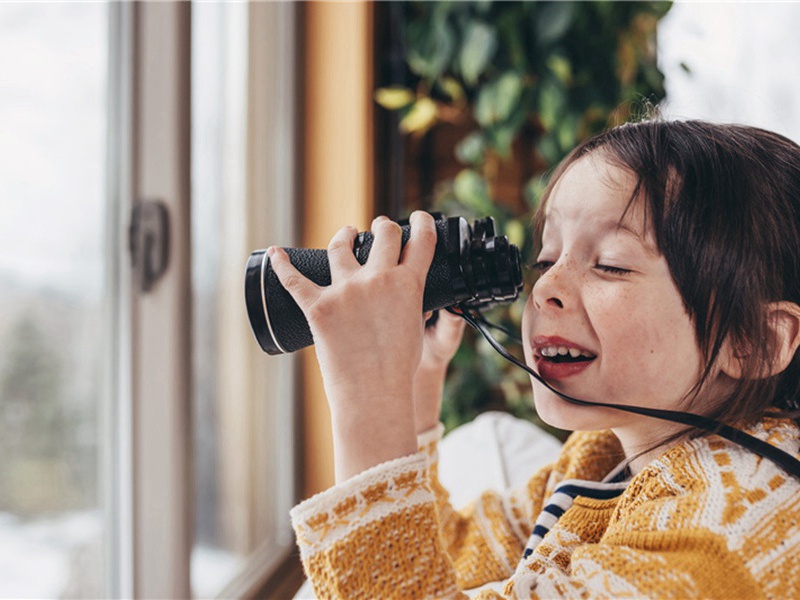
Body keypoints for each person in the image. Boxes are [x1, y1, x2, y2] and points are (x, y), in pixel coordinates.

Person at [268, 119, 800, 598]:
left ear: (753, 341)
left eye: (611, 264)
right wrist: (413, 385)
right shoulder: (601, 457)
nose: (546, 286)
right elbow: (450, 558)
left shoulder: (723, 537)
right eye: (547, 258)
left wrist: (367, 402)